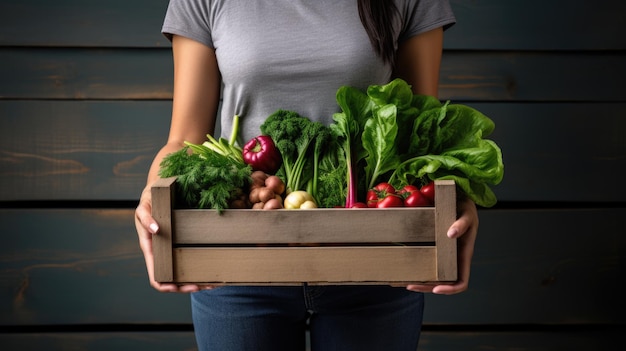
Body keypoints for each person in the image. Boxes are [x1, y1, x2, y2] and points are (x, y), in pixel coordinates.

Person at [134, 0, 479, 350]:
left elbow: (422, 130)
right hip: (240, 258)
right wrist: (154, 193)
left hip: (374, 256)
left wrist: (454, 194)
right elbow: (185, 140)